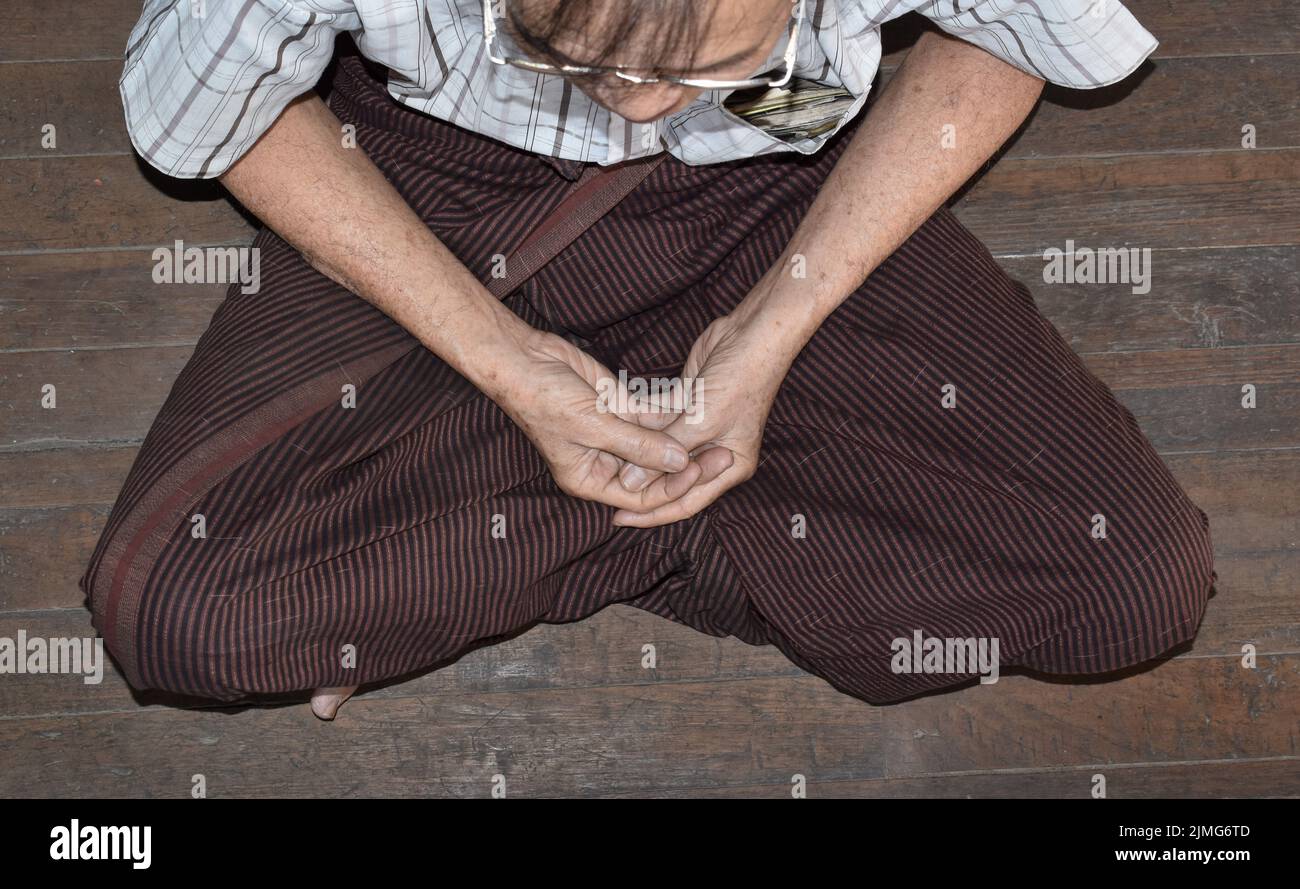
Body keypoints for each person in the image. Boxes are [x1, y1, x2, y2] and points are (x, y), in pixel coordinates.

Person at [85, 0, 1214, 720]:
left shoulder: (738, 95)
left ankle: (484, 553)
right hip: (442, 192)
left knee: (1137, 582)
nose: (641, 104)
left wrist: (776, 323)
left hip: (777, 150)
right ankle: (732, 530)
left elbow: (1004, 37)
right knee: (174, 612)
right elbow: (209, 114)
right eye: (570, 48)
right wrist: (503, 362)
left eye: (704, 58)